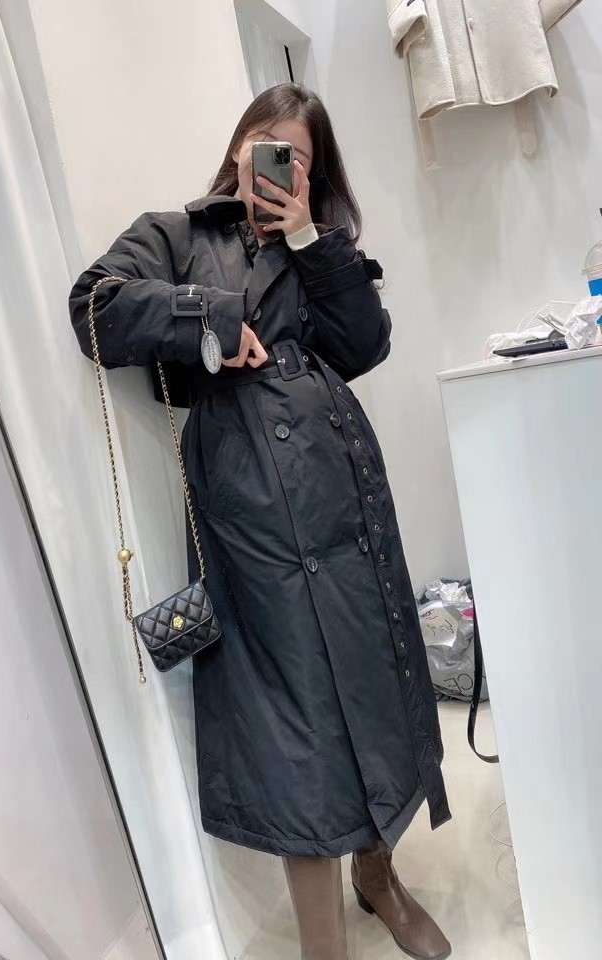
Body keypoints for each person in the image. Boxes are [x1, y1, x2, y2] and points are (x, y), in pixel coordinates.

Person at [69, 83, 452, 960]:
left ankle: (380, 878)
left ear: (314, 175)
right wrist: (208, 317)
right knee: (299, 724)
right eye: (264, 144)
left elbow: (364, 346)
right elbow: (94, 306)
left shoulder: (321, 247)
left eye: (298, 157)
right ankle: (324, 945)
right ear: (237, 145)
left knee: (377, 685)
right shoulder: (179, 234)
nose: (277, 167)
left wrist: (313, 240)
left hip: (345, 493)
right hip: (252, 514)